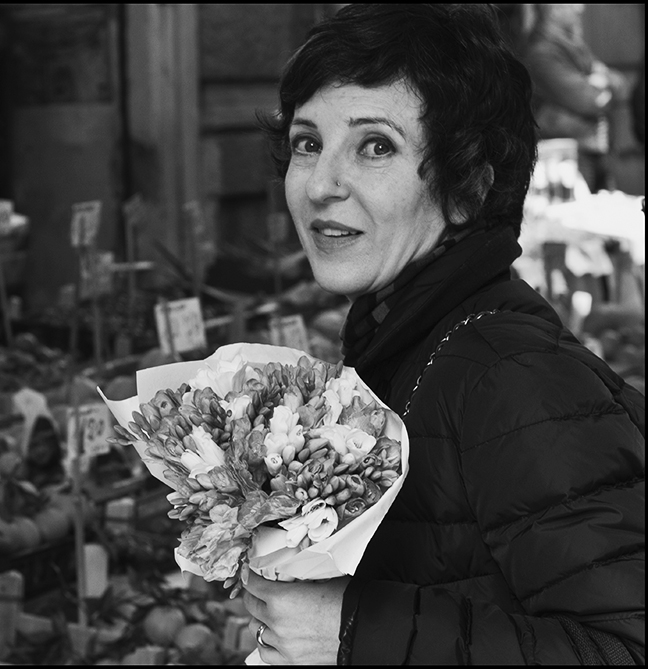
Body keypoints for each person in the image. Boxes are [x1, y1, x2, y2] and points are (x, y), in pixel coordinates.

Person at [246, 4, 645, 664]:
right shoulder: (411, 341)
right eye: (307, 142)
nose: (319, 184)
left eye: (376, 146)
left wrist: (351, 630)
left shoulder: (509, 373)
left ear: (468, 188)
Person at [518, 4, 630, 192]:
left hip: (592, 150)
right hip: (565, 158)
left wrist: (602, 82)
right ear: (552, 10)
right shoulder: (541, 52)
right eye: (571, 3)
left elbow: (622, 87)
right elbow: (589, 101)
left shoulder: (574, 45)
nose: (580, 8)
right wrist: (599, 84)